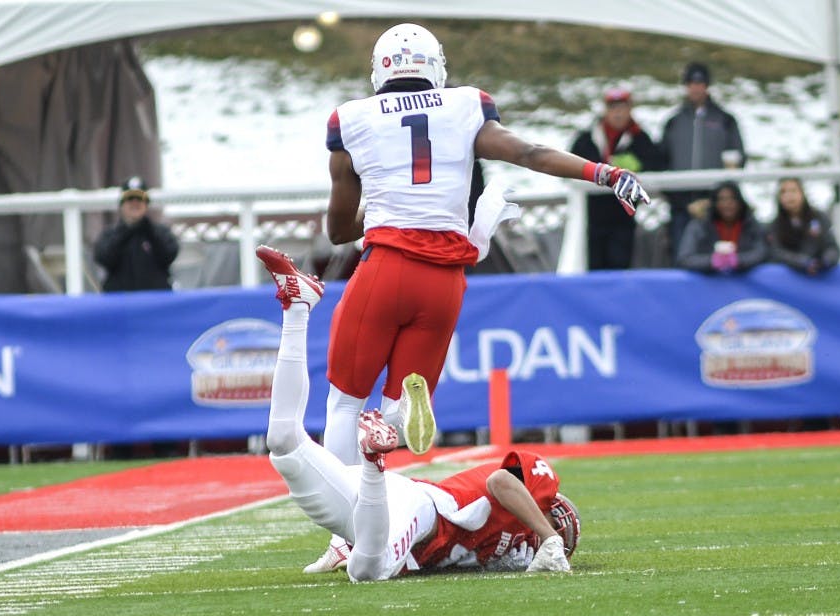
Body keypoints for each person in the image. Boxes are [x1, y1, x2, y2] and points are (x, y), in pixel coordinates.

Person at [313, 22, 646, 573]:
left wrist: (380, 201)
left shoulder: (351, 119)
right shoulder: (466, 105)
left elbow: (338, 229)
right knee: (397, 405)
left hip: (387, 267)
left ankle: (347, 535)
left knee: (345, 402)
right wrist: (604, 172)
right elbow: (529, 152)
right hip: (445, 277)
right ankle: (394, 424)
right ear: (436, 65)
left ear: (380, 70)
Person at [256, 245, 580, 581]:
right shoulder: (538, 491)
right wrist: (550, 537)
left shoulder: (500, 547)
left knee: (283, 443)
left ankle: (297, 308)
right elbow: (501, 481)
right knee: (369, 570)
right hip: (420, 509)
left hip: (380, 512)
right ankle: (371, 460)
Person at [570, 86, 664, 270]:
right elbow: (571, 164)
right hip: (592, 214)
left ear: (630, 109)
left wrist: (636, 167)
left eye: (622, 108)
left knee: (620, 263)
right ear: (605, 110)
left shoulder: (640, 139)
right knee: (592, 264)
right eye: (613, 108)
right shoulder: (587, 138)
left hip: (623, 216)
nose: (618, 114)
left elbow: (656, 165)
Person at [660, 63, 747, 264]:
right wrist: (678, 200)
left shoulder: (725, 120)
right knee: (681, 258)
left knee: (715, 258)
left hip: (717, 208)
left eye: (700, 83)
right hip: (681, 207)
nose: (696, 88)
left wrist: (718, 199)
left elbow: (739, 160)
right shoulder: (673, 122)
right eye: (691, 83)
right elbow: (662, 163)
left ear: (707, 86)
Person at [93, 176, 180, 292]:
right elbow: (104, 258)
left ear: (146, 204)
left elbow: (169, 255)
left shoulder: (161, 233)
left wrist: (148, 231)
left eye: (139, 199)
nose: (135, 203)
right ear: (122, 204)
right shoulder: (109, 235)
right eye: (130, 199)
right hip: (120, 303)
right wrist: (126, 231)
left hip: (155, 302)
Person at [676, 181, 766, 274]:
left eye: (732, 199)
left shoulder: (751, 225)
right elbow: (684, 258)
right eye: (722, 199)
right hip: (708, 284)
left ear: (740, 202)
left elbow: (761, 253)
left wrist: (738, 260)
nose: (727, 204)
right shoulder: (699, 226)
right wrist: (711, 261)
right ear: (714, 203)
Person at [766, 178, 840, 275]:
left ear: (802, 193)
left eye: (793, 190)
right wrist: (802, 262)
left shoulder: (820, 218)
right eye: (783, 192)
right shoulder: (774, 226)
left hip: (819, 277)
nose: (789, 196)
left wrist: (825, 261)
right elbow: (775, 253)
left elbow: (832, 248)